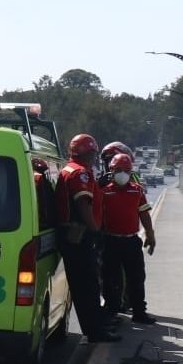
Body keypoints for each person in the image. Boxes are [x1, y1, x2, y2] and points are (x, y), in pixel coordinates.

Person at [55, 133, 119, 343]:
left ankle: (95, 326)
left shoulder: (69, 169)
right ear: (88, 153)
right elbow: (83, 205)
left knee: (86, 285)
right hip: (80, 236)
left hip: (72, 235)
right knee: (88, 286)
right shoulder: (81, 173)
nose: (94, 158)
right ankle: (95, 331)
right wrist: (95, 230)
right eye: (93, 154)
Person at [99, 153, 157, 324]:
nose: (122, 174)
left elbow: (144, 213)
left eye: (126, 170)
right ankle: (112, 311)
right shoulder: (104, 191)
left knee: (137, 278)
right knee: (111, 279)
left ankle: (139, 312)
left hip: (131, 241)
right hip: (111, 241)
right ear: (111, 171)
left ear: (131, 172)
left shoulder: (137, 190)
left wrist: (150, 233)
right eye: (118, 170)